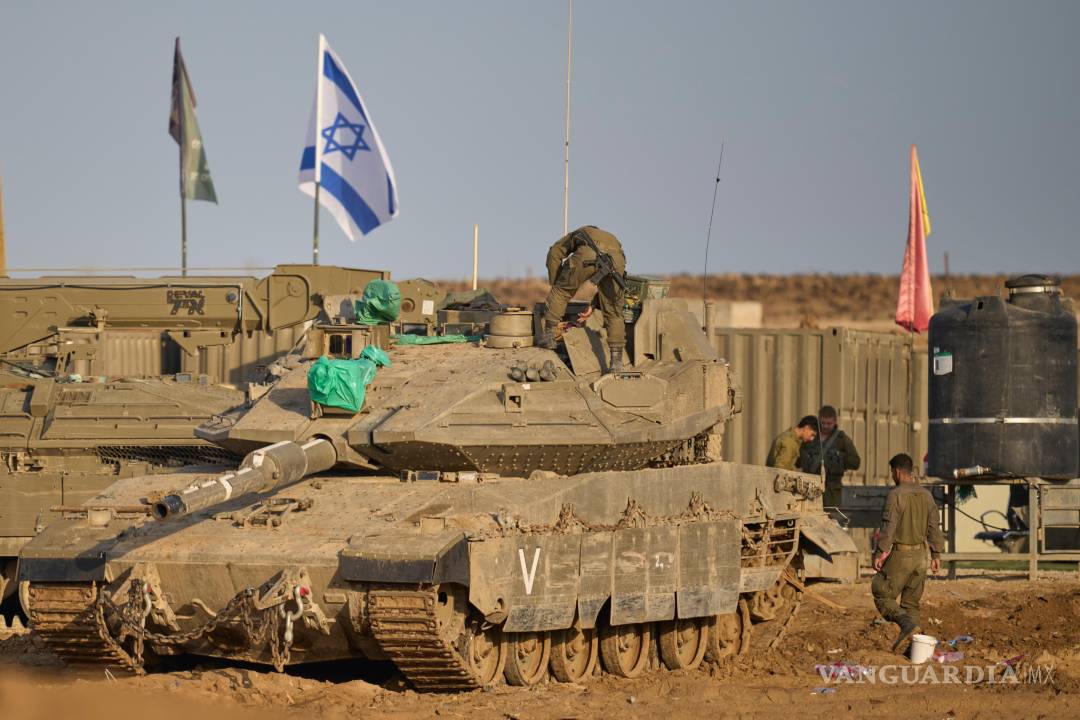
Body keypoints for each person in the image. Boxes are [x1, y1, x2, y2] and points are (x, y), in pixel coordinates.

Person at [872, 453, 945, 653]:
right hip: (922, 556)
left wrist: (880, 552)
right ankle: (913, 650)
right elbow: (934, 528)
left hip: (902, 554)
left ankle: (905, 624)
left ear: (897, 472)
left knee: (881, 592)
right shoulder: (927, 495)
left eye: (892, 473)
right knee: (911, 603)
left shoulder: (895, 495)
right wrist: (936, 555)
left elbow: (889, 527)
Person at [539, 226, 627, 372]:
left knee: (561, 292)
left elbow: (554, 254)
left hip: (587, 255)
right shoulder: (612, 238)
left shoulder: (577, 234)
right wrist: (594, 305)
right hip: (616, 261)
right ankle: (616, 362)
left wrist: (557, 283)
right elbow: (609, 295)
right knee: (614, 311)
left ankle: (549, 337)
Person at [799, 405, 861, 508]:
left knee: (831, 518)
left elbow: (856, 462)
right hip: (810, 487)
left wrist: (839, 458)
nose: (825, 426)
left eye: (829, 423)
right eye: (823, 423)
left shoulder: (841, 439)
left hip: (831, 490)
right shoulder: (811, 436)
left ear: (835, 422)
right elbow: (798, 459)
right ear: (819, 420)